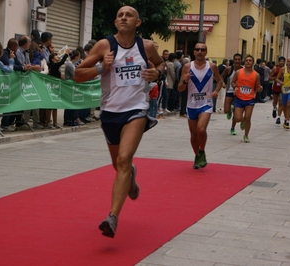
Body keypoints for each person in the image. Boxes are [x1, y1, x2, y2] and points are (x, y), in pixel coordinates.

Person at [74, 5, 164, 238]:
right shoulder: (104, 46)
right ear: (116, 23)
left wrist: (157, 73)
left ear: (138, 22)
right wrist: (101, 67)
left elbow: (160, 64)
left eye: (129, 15)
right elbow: (78, 75)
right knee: (119, 165)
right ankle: (131, 180)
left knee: (124, 159)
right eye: (120, 15)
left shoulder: (146, 47)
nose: (124, 18)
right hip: (110, 113)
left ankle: (112, 217)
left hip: (136, 110)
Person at [178, 42, 223, 169]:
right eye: (197, 49)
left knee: (201, 130)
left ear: (206, 52)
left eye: (202, 50)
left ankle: (202, 151)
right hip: (191, 104)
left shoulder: (212, 66)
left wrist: (216, 91)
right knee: (193, 135)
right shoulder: (187, 67)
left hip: (206, 103)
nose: (199, 52)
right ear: (193, 52)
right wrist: (185, 81)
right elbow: (180, 88)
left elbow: (220, 81)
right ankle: (197, 155)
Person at [230, 55, 262, 143]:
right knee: (237, 118)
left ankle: (246, 135)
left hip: (250, 99)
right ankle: (241, 120)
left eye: (250, 60)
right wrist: (234, 87)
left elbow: (257, 86)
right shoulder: (238, 72)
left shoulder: (256, 75)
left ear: (253, 62)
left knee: (248, 118)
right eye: (246, 60)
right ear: (244, 62)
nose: (248, 62)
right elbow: (232, 82)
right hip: (239, 98)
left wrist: (259, 88)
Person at [275, 56, 290, 129]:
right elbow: (276, 78)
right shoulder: (283, 69)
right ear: (286, 62)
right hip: (284, 89)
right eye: (288, 61)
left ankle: (288, 121)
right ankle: (285, 118)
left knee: (289, 104)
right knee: (284, 105)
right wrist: (280, 82)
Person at [221, 53, 243, 135]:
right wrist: (222, 83)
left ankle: (233, 127)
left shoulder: (243, 70)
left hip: (239, 93)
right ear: (233, 60)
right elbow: (221, 76)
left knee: (236, 113)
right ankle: (229, 110)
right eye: (235, 59)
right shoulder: (229, 69)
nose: (237, 61)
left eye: (239, 59)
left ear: (241, 60)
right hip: (229, 91)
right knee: (226, 110)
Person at [270, 56, 285, 124]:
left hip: (282, 88)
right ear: (278, 62)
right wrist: (276, 78)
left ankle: (278, 117)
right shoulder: (275, 68)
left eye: (283, 61)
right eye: (280, 61)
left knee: (281, 102)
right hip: (275, 87)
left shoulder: (286, 69)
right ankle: (274, 108)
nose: (282, 62)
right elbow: (269, 77)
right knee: (275, 101)